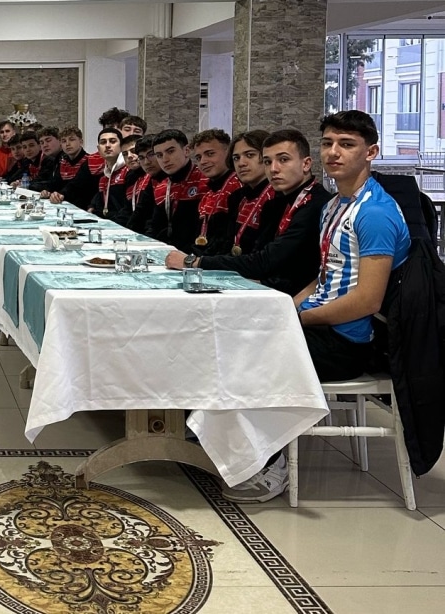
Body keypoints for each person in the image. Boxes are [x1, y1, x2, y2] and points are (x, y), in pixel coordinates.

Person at [222, 111, 411, 505]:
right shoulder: (334, 207)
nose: (334, 152)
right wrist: (286, 308)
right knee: (232, 333)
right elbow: (321, 278)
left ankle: (272, 465)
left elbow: (367, 300)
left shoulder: (374, 213)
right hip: (318, 323)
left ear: (371, 152)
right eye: (328, 143)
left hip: (349, 341)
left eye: (347, 145)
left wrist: (296, 318)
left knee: (256, 352)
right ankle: (235, 450)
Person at [165, 129, 330, 297]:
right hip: (266, 283)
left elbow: (268, 261)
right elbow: (240, 250)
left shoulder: (315, 204)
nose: (273, 169)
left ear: (306, 164)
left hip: (293, 295)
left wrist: (195, 262)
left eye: (283, 160)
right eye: (267, 161)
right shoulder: (278, 200)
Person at [210, 130, 275, 257]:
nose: (241, 163)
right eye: (236, 158)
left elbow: (262, 256)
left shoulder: (276, 197)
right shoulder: (237, 197)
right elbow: (225, 244)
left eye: (249, 155)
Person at [146, 129, 209, 253]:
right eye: (159, 155)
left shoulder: (204, 180)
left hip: (195, 254)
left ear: (186, 151)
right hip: (166, 252)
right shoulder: (161, 187)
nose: (165, 159)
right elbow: (155, 227)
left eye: (170, 151)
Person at [190, 129, 240, 255]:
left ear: (228, 152)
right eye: (198, 157)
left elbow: (226, 242)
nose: (203, 161)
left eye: (210, 154)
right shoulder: (209, 192)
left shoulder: (238, 187)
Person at [125, 135, 162, 233]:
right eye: (141, 157)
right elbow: (139, 212)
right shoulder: (153, 179)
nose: (146, 162)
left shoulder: (166, 178)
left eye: (151, 154)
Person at [91, 128, 127, 219]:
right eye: (103, 142)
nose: (107, 145)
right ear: (98, 149)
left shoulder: (128, 171)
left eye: (112, 141)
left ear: (122, 146)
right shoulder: (103, 178)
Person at [30, 127, 62, 193]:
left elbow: (56, 185)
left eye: (48, 141)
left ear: (60, 140)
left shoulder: (66, 159)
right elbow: (40, 180)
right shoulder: (48, 159)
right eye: (41, 142)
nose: (45, 145)